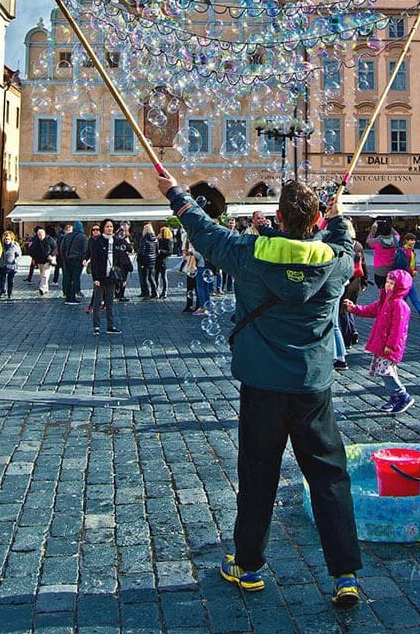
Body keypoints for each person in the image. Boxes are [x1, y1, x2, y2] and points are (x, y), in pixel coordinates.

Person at [156, 170, 363, 609]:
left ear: (280, 217)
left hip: (263, 384)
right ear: (314, 222)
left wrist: (176, 194)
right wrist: (338, 214)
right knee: (328, 477)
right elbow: (344, 241)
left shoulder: (249, 253)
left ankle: (248, 566)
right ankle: (345, 575)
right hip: (312, 386)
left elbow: (204, 232)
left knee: (258, 475)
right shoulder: (335, 261)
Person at [343, 268, 415, 414]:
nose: (388, 285)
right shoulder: (386, 299)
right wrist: (355, 308)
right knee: (383, 371)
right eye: (388, 282)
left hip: (389, 346)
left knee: (386, 371)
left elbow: (398, 329)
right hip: (381, 343)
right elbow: (371, 310)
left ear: (400, 286)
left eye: (392, 283)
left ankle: (402, 395)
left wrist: (391, 345)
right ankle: (394, 397)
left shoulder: (399, 305)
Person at [89, 218, 132, 335]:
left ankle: (110, 326)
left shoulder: (117, 241)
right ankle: (96, 327)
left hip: (112, 277)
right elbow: (94, 262)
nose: (110, 228)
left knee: (110, 302)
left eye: (111, 226)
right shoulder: (98, 242)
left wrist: (122, 278)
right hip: (101, 276)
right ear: (103, 228)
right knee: (97, 302)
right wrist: (95, 278)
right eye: (107, 226)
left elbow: (121, 260)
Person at [400, 233, 420, 318]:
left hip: (408, 276)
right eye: (411, 240)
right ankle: (401, 311)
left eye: (414, 240)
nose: (413, 242)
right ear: (406, 241)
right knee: (407, 296)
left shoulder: (411, 250)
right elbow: (405, 264)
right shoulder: (405, 251)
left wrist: (415, 270)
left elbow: (413, 263)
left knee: (411, 295)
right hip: (406, 276)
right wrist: (411, 271)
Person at [365, 219, 400, 290]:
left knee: (382, 289)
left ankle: (383, 300)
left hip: (379, 269)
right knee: (391, 289)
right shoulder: (395, 240)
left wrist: (373, 229)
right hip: (391, 267)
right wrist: (389, 226)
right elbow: (397, 234)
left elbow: (368, 240)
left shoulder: (376, 242)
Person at [60, 221, 88, 303]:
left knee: (68, 278)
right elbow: (85, 250)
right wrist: (83, 259)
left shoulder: (67, 236)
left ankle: (68, 297)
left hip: (68, 260)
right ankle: (73, 296)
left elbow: (62, 249)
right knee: (75, 278)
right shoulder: (83, 237)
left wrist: (65, 259)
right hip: (77, 261)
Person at [28, 226, 56, 294]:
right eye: (39, 235)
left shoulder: (49, 239)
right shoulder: (36, 240)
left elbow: (55, 248)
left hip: (47, 260)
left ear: (44, 234)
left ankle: (42, 288)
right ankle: (46, 288)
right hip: (39, 260)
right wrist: (33, 258)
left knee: (45, 274)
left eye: (41, 234)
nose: (40, 236)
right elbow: (32, 250)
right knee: (42, 274)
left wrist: (51, 255)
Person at [137, 222, 159, 299]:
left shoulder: (144, 238)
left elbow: (142, 251)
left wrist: (139, 258)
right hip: (152, 260)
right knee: (151, 277)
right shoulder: (155, 239)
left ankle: (147, 294)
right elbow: (157, 250)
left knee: (144, 278)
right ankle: (155, 292)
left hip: (145, 260)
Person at [0, 230, 21, 298]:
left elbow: (19, 254)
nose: (6, 240)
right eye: (5, 239)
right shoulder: (1, 245)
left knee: (10, 280)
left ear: (11, 239)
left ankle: (9, 292)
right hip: (2, 264)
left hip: (11, 265)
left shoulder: (15, 245)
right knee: (2, 279)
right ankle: (2, 292)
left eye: (8, 239)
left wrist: (15, 261)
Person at [155, 225, 174, 298]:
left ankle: (164, 292)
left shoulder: (168, 241)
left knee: (163, 276)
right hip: (157, 260)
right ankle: (156, 291)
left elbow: (170, 252)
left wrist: (161, 251)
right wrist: (157, 239)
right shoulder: (159, 240)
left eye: (161, 232)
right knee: (156, 276)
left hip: (163, 260)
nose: (160, 233)